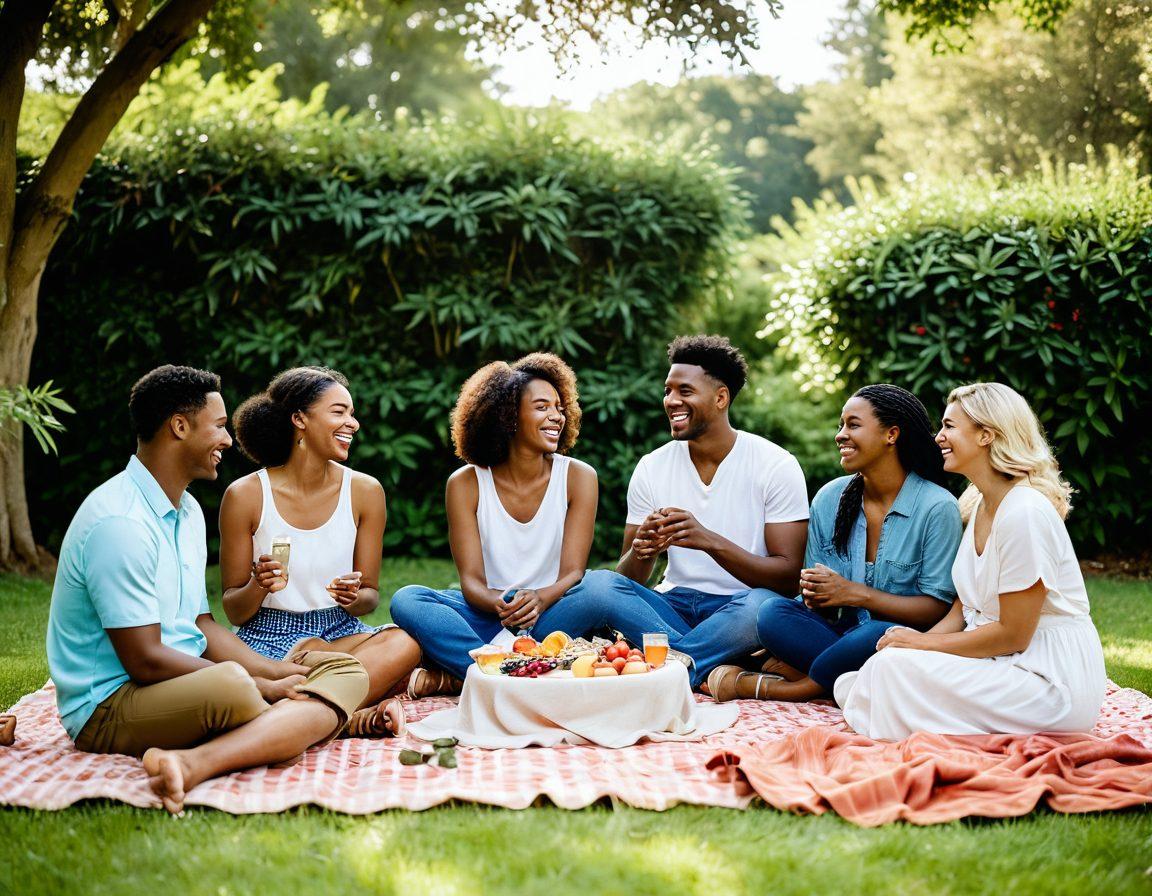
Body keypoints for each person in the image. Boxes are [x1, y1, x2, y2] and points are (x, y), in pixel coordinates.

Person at [46, 366, 369, 815]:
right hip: (109, 704)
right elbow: (143, 658)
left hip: (182, 681)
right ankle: (316, 724)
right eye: (218, 426)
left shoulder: (188, 512)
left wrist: (276, 673)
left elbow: (199, 625)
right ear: (180, 426)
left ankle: (210, 754)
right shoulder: (120, 523)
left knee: (346, 670)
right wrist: (259, 683)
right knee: (235, 686)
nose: (228, 440)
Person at [835, 382, 1108, 739]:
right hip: (1003, 663)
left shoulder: (1024, 512)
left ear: (985, 435)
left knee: (886, 677)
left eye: (949, 426)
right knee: (876, 670)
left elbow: (1014, 635)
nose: (938, 438)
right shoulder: (980, 505)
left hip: (1049, 681)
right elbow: (958, 614)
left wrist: (920, 645)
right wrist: (911, 650)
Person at [390, 353, 685, 680]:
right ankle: (491, 671)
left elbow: (572, 573)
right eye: (542, 407)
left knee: (596, 589)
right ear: (508, 417)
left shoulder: (578, 477)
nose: (556, 416)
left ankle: (480, 669)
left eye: (560, 408)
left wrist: (540, 599)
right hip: (490, 613)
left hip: (553, 614)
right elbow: (471, 581)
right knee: (408, 599)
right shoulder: (465, 483)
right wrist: (503, 603)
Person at [707, 384, 962, 702]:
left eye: (853, 425)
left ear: (891, 435)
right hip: (839, 637)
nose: (840, 435)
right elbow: (815, 607)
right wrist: (817, 596)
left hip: (902, 646)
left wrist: (856, 594)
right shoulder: (830, 498)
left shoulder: (937, 508)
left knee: (877, 632)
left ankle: (796, 686)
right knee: (772, 612)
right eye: (841, 425)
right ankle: (847, 680)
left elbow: (936, 609)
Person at [220, 367, 421, 737]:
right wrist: (258, 584)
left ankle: (304, 709)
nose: (353, 423)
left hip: (340, 630)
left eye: (352, 413)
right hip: (268, 636)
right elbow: (233, 607)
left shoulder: (366, 491)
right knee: (324, 661)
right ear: (299, 419)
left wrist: (352, 598)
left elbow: (369, 597)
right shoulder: (245, 495)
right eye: (339, 412)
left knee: (404, 643)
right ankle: (348, 715)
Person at [607, 335, 810, 691]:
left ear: (720, 398)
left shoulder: (775, 465)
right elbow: (628, 583)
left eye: (684, 391)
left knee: (765, 606)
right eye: (667, 390)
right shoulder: (651, 467)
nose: (671, 401)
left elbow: (787, 579)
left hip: (740, 608)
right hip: (673, 605)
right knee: (598, 584)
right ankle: (706, 663)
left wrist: (708, 541)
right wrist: (644, 549)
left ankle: (665, 668)